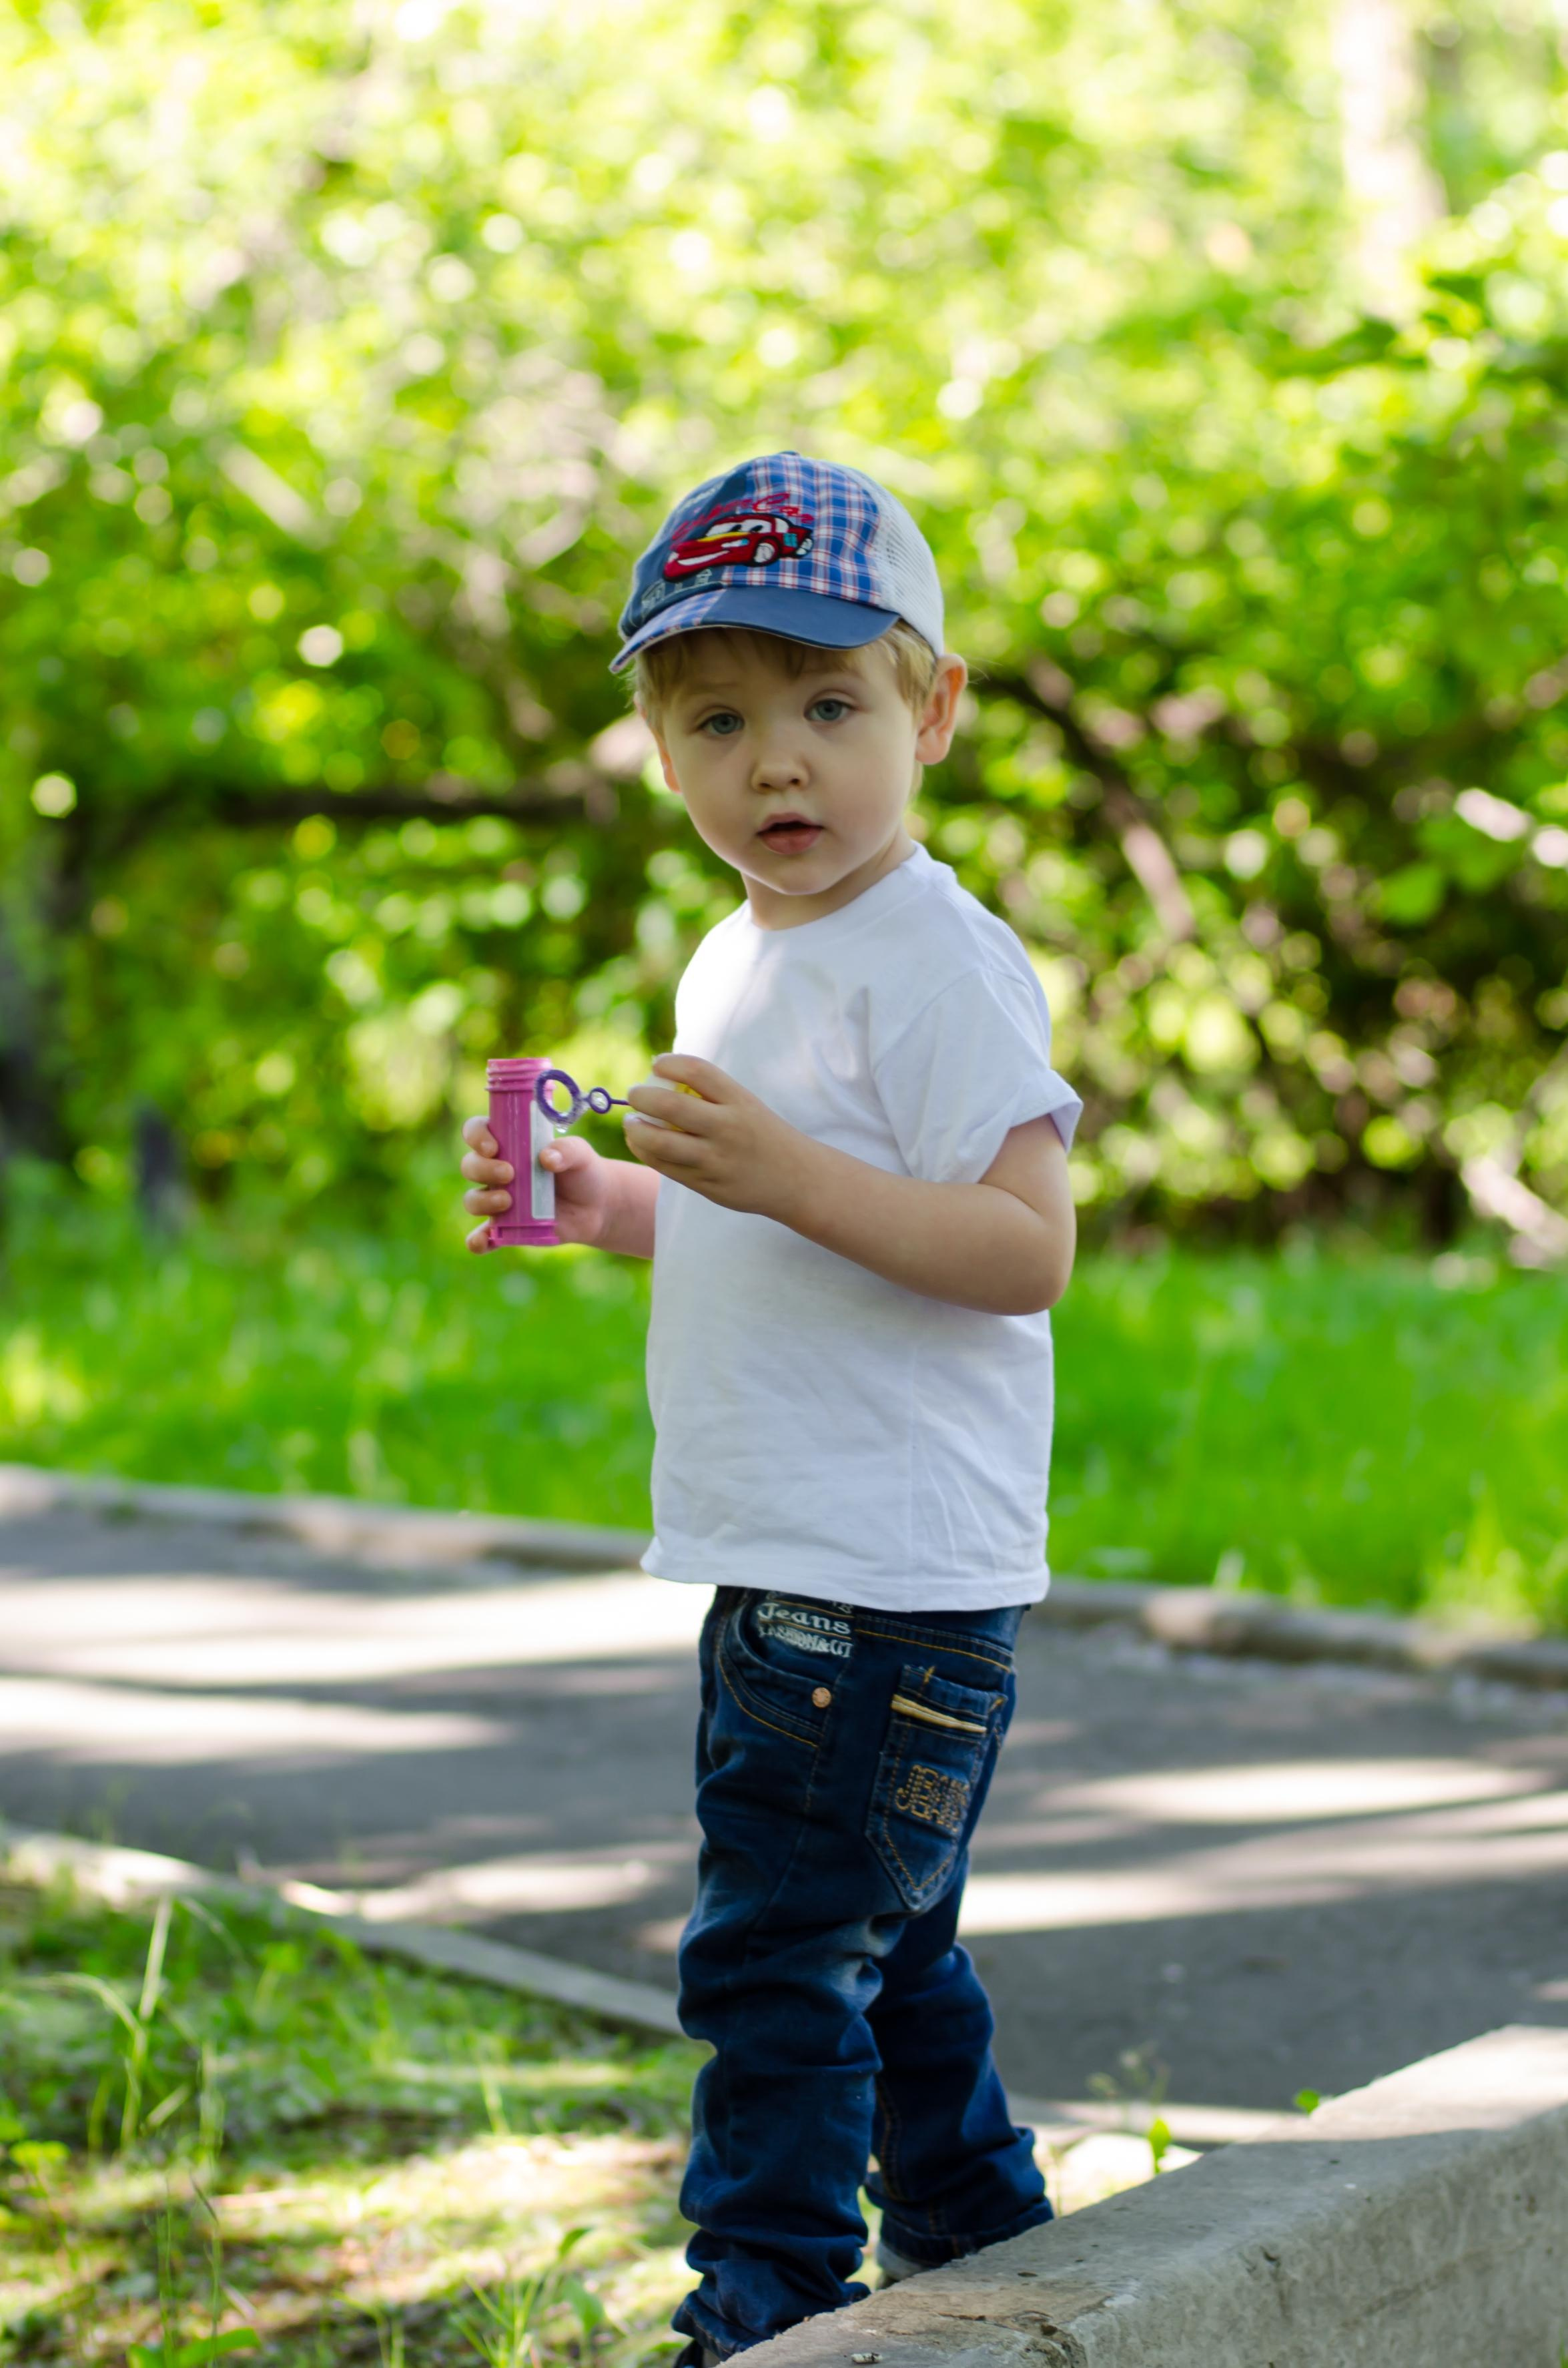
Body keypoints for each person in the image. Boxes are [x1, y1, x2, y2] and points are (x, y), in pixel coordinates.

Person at [460, 453, 1083, 2362]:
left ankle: (764, 2309)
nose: (778, 763)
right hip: (797, 1559)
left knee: (774, 1963)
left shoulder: (937, 956)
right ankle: (984, 2241)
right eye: (720, 719)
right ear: (659, 746)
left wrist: (785, 1172)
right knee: (877, 1957)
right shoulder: (740, 953)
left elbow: (1021, 1245)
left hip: (879, 1577)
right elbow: (772, 1236)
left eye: (829, 703)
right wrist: (620, 1202)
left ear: (933, 707)